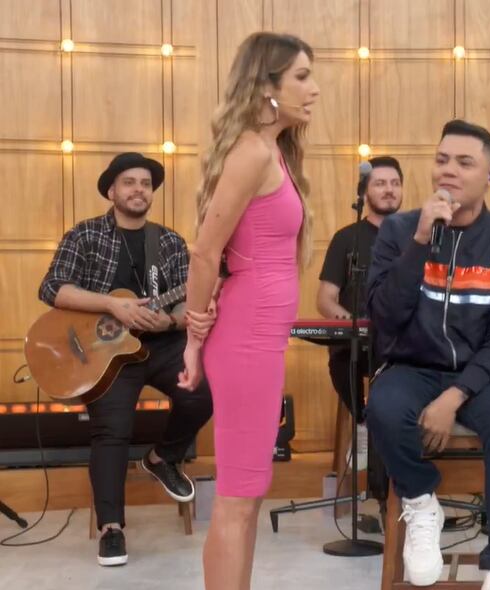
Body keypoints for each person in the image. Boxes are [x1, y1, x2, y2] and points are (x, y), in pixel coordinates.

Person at [365, 120, 490, 589]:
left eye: (464, 163)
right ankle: (422, 501)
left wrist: (455, 396)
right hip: (411, 366)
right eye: (442, 160)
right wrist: (420, 242)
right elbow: (384, 316)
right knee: (382, 406)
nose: (449, 171)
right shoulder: (399, 231)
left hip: (481, 375)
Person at [177, 32, 318, 590]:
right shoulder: (252, 152)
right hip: (246, 340)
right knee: (237, 498)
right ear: (266, 87)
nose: (314, 88)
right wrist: (193, 340)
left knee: (250, 493)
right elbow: (204, 252)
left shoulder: (271, 151)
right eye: (301, 76)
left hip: (260, 337)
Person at [38, 152, 212, 566]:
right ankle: (111, 529)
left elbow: (187, 303)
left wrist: (169, 320)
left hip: (161, 344)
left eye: (146, 184)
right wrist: (113, 306)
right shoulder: (85, 235)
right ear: (112, 191)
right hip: (104, 353)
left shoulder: (168, 242)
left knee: (204, 392)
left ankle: (162, 459)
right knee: (112, 430)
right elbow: (52, 288)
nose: (139, 190)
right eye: (129, 182)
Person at [317, 156, 404, 469]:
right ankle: (363, 423)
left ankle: (393, 439)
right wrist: (350, 324)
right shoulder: (346, 238)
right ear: (365, 191)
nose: (389, 190)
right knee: (341, 360)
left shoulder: (417, 236)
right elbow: (325, 299)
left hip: (402, 341)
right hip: (359, 342)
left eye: (395, 183)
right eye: (380, 183)